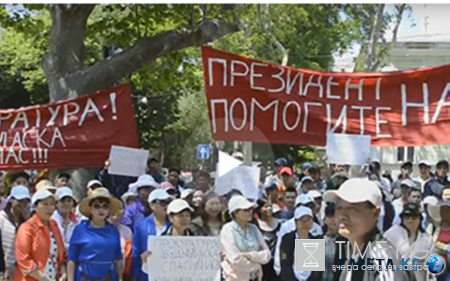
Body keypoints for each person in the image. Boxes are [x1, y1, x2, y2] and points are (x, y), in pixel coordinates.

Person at [324, 178, 414, 281]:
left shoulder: (382, 258)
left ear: (375, 213)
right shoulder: (350, 253)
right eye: (339, 208)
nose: (342, 216)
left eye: (352, 209)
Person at [67, 187, 123, 281]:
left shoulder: (114, 230)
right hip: (84, 277)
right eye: (97, 206)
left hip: (108, 277)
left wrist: (120, 278)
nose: (101, 210)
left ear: (109, 210)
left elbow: (118, 257)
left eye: (105, 206)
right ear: (90, 209)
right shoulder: (80, 229)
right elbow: (72, 258)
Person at [14, 190, 65, 281]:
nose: (49, 208)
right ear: (35, 206)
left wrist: (63, 273)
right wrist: (43, 278)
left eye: (52, 204)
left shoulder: (54, 225)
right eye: (45, 204)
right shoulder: (27, 227)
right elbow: (23, 259)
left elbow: (60, 254)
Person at [220, 195, 271, 281]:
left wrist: (251, 256)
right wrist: (257, 264)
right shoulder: (228, 229)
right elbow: (235, 260)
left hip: (256, 278)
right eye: (246, 210)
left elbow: (267, 255)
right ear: (235, 213)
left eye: (251, 209)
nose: (250, 212)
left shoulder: (254, 228)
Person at [384, 203, 433, 281]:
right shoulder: (391, 233)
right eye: (407, 216)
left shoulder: (427, 238)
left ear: (420, 219)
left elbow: (432, 264)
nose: (410, 220)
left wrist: (418, 265)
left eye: (414, 217)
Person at [131, 189, 172, 281]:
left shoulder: (174, 225)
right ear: (152, 205)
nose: (166, 205)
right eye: (162, 202)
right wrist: (134, 275)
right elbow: (136, 251)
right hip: (147, 274)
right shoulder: (141, 226)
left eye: (168, 202)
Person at [279, 206, 322, 281]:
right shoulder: (288, 239)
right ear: (296, 222)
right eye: (301, 220)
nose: (305, 223)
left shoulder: (316, 239)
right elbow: (285, 265)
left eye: (308, 220)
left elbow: (317, 271)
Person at [0, 185, 30, 279]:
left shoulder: (25, 221)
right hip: (4, 269)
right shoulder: (2, 218)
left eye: (26, 202)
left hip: (20, 269)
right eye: (20, 201)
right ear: (12, 200)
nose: (22, 204)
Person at [255, 199, 280, 281]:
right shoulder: (254, 226)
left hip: (277, 264)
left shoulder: (280, 224)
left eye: (270, 206)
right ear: (259, 209)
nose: (269, 208)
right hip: (262, 266)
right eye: (266, 206)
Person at [109, 201, 133, 281]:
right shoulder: (100, 230)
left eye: (120, 209)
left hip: (123, 272)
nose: (117, 212)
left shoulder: (127, 230)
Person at [323, 203, 347, 281]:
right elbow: (306, 271)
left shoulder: (348, 242)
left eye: (336, 217)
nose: (333, 220)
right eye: (330, 216)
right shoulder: (314, 239)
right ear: (325, 219)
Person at [428, 200, 450, 280]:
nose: (443, 213)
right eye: (442, 210)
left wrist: (441, 246)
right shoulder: (433, 228)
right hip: (433, 260)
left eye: (446, 211)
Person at [52, 187, 78, 252]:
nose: (66, 204)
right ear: (56, 204)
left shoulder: (78, 222)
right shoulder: (51, 220)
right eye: (62, 201)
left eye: (69, 201)